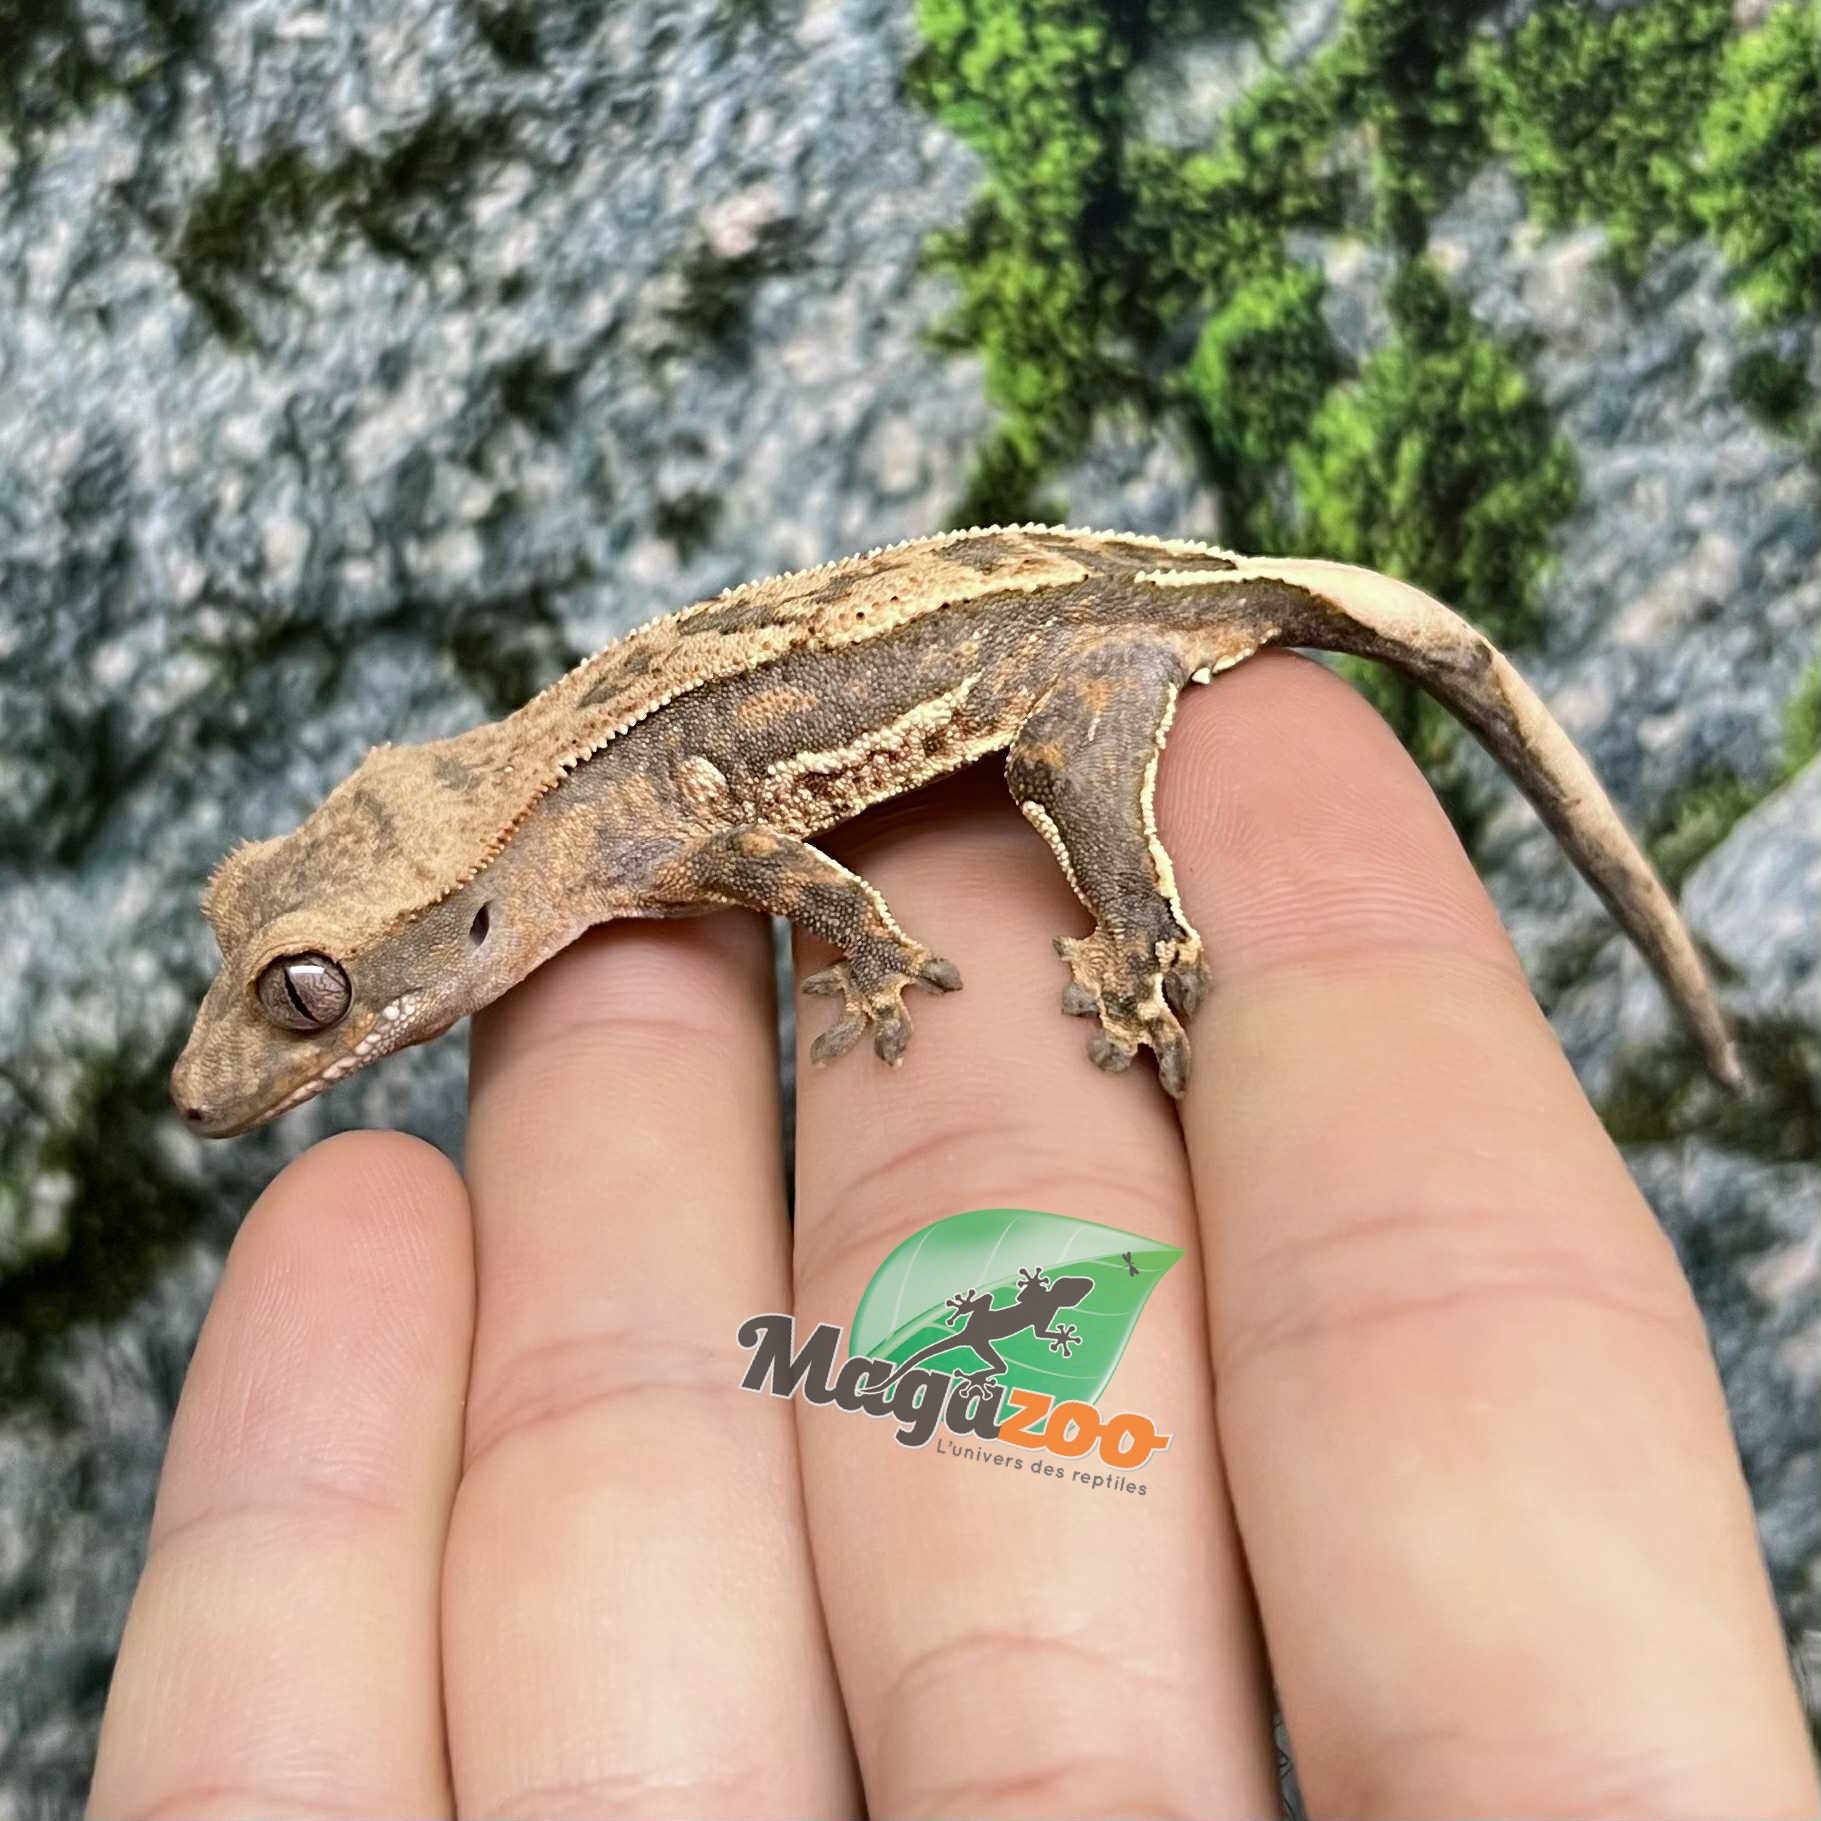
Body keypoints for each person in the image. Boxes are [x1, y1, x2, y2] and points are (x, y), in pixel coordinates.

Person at [89, 655, 1817, 1818]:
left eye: (304, 997)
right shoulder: (564, 847)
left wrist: (875, 953)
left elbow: (816, 884)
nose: (240, 1060)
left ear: (456, 906)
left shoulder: (621, 836)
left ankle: (1172, 961)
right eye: (279, 975)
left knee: (1092, 806)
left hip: (1069, 647)